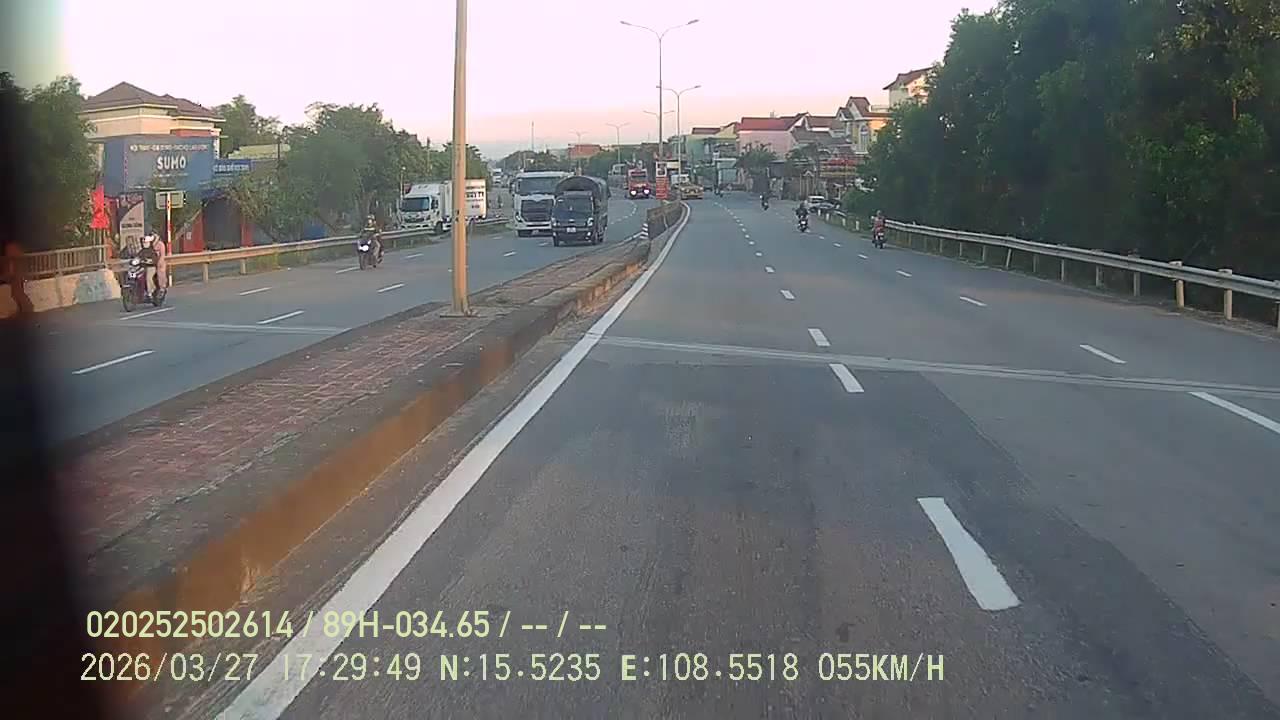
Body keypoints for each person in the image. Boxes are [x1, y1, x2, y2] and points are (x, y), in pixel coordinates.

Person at [137, 234, 160, 299]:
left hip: (151, 267)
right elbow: (137, 257)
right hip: (142, 267)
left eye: (146, 242)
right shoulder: (141, 251)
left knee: (148, 278)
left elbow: (155, 259)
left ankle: (150, 291)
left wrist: (150, 261)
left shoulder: (152, 251)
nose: (145, 244)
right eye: (144, 243)